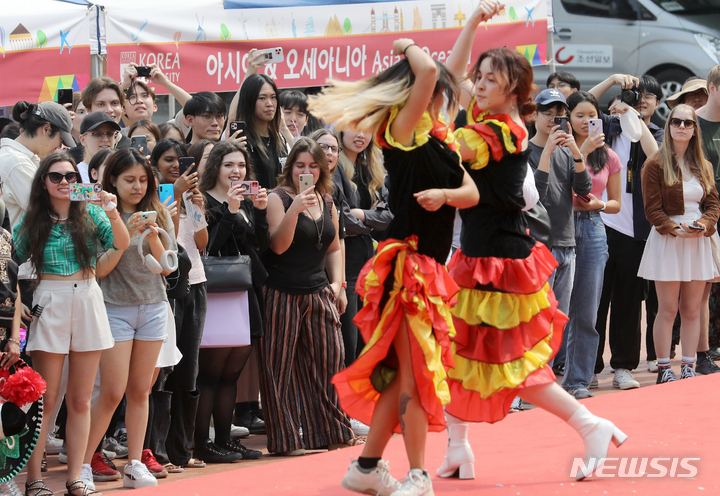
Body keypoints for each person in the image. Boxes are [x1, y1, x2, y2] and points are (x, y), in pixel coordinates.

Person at [437, 3, 628, 484]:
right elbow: (448, 77)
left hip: (500, 265)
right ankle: (459, 448)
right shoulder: (482, 119)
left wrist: (420, 124)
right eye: (478, 76)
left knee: (512, 368)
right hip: (476, 260)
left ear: (513, 90)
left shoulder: (501, 131)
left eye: (490, 79)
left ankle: (590, 424)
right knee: (453, 354)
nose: (478, 84)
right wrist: (471, 24)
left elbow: (442, 129)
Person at [311, 36, 480, 494]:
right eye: (436, 92)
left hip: (427, 270)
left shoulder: (438, 140)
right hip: (408, 269)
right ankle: (419, 474)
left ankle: (366, 468)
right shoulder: (400, 133)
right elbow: (429, 72)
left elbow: (472, 193)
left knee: (398, 376)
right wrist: (407, 43)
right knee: (414, 373)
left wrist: (475, 22)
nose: (444, 96)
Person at [14, 151, 130, 496]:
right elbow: (13, 262)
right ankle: (34, 479)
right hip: (50, 297)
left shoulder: (93, 212)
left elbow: (121, 243)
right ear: (43, 183)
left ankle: (75, 477)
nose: (65, 182)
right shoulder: (31, 220)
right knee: (46, 400)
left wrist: (110, 207)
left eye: (70, 176)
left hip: (89, 296)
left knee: (80, 401)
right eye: (56, 176)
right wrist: (19, 302)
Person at [83, 148, 178, 490]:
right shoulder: (98, 215)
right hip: (114, 308)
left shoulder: (159, 214)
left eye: (142, 180)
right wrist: (123, 231)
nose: (137, 187)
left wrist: (152, 234)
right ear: (112, 181)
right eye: (129, 180)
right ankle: (83, 461)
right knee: (110, 393)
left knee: (141, 392)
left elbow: (168, 267)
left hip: (153, 306)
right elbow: (101, 269)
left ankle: (135, 463)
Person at [259, 137, 356, 457]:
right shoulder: (279, 198)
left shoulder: (327, 200)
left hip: (319, 293)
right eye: (301, 165)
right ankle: (286, 441)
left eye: (313, 165)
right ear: (291, 167)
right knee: (279, 371)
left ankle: (332, 431)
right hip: (282, 293)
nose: (307, 171)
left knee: (331, 361)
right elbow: (278, 246)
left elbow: (335, 246)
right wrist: (295, 209)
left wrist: (339, 285)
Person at [588, 74, 663, 383]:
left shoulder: (657, 132)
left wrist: (635, 118)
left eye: (647, 96)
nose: (640, 100)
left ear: (657, 103)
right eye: (635, 95)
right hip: (599, 222)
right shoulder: (606, 125)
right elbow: (580, 105)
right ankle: (588, 367)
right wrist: (610, 81)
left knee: (629, 300)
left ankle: (622, 366)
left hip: (636, 228)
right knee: (594, 299)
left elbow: (657, 157)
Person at [194, 141, 265, 463]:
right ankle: (203, 443)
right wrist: (231, 211)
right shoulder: (202, 201)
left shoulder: (245, 201)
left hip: (243, 292)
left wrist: (259, 212)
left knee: (231, 375)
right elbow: (208, 249)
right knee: (210, 374)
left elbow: (259, 245)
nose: (236, 171)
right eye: (228, 165)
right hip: (215, 293)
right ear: (215, 169)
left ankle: (226, 439)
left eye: (240, 166)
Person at [639, 104, 720, 383]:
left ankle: (688, 365)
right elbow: (652, 210)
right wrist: (676, 229)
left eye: (688, 123)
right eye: (676, 122)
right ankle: (664, 368)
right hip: (668, 239)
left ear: (695, 129)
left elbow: (713, 205)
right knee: (668, 308)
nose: (682, 127)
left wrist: (704, 225)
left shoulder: (703, 165)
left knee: (693, 309)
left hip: (697, 239)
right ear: (669, 126)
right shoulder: (655, 164)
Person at [527, 88, 593, 377]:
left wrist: (577, 152)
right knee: (537, 316)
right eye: (548, 114)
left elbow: (585, 190)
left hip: (568, 243)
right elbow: (534, 197)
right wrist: (549, 151)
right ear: (535, 115)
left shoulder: (568, 152)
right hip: (540, 245)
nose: (554, 120)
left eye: (559, 115)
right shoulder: (524, 152)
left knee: (557, 318)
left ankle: (546, 378)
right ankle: (531, 379)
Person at [563, 91, 623, 396]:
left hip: (594, 228)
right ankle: (544, 383)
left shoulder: (609, 156)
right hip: (561, 228)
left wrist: (598, 204)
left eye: (592, 116)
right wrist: (580, 151)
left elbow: (616, 204)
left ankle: (578, 381)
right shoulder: (560, 149)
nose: (587, 121)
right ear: (568, 119)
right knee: (554, 310)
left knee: (587, 311)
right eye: (580, 116)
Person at [332, 127, 392, 366]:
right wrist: (371, 219)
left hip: (369, 263)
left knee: (367, 340)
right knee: (350, 341)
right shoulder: (335, 167)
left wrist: (362, 216)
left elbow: (390, 214)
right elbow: (343, 220)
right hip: (345, 263)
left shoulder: (371, 169)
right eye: (355, 126)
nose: (361, 134)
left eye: (367, 129)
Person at [697, 65, 720, 369]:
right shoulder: (691, 124)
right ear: (712, 88)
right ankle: (701, 353)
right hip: (704, 215)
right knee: (702, 291)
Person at [233, 74, 288, 189]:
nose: (270, 104)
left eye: (273, 97)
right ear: (249, 101)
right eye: (262, 98)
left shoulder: (280, 138)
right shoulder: (241, 140)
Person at [78, 112, 122, 182]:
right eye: (97, 134)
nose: (105, 140)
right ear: (83, 140)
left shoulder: (122, 172)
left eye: (110, 134)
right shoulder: (76, 175)